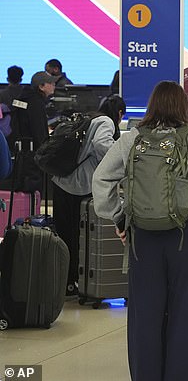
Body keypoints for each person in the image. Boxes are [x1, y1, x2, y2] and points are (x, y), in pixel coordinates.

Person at [92, 81, 188, 381]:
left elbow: (101, 180)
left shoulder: (131, 140)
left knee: (144, 312)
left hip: (142, 236)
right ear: (184, 106)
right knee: (187, 312)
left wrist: (120, 217)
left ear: (151, 104)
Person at [52, 95, 127, 297]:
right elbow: (102, 144)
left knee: (64, 234)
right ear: (120, 113)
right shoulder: (105, 121)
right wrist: (122, 156)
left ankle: (64, 282)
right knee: (79, 235)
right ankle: (72, 280)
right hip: (78, 185)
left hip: (61, 181)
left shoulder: (90, 117)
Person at [9, 71, 55, 192]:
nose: (54, 86)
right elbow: (38, 130)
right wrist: (45, 151)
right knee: (33, 189)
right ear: (41, 86)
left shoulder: (23, 98)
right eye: (51, 83)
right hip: (33, 155)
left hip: (21, 151)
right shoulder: (36, 103)